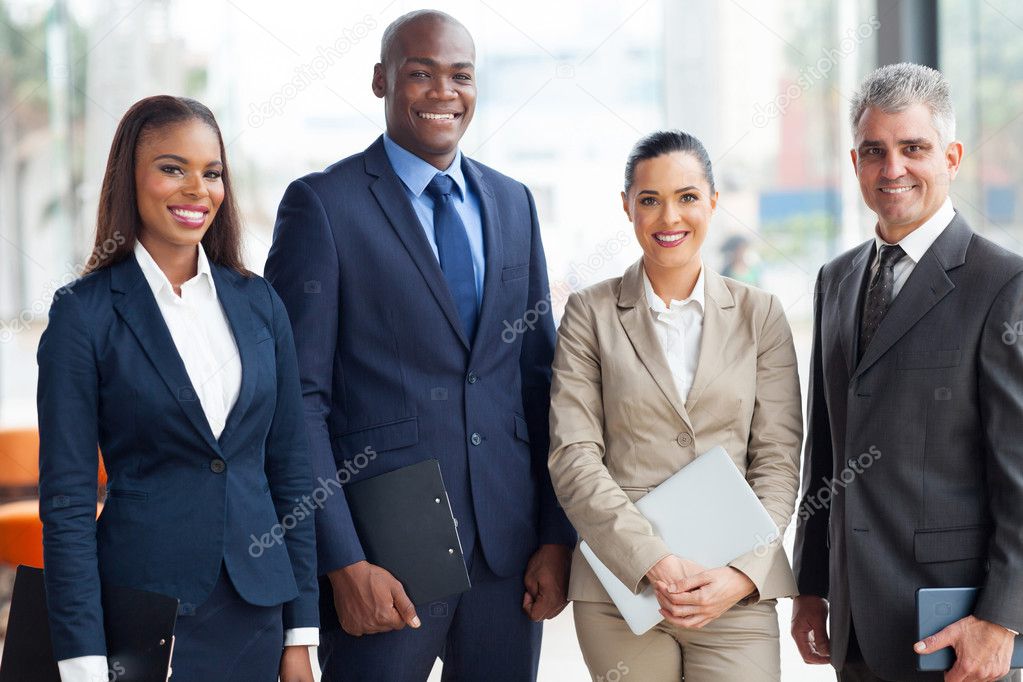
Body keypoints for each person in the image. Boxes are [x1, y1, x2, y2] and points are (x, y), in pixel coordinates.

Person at [264, 10, 575, 682]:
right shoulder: (322, 206)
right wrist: (341, 563)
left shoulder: (513, 203)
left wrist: (556, 537)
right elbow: (295, 406)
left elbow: (542, 382)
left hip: (508, 557)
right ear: (381, 80)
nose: (443, 92)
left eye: (459, 76)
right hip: (384, 559)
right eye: (420, 73)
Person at [36, 95, 318, 682]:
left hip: (257, 612)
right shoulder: (83, 314)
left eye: (211, 172)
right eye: (172, 168)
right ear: (129, 179)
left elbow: (291, 471)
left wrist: (301, 633)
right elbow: (65, 503)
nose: (197, 189)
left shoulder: (259, 303)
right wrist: (82, 661)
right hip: (143, 617)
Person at [791, 63, 1023, 682]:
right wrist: (810, 582)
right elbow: (827, 446)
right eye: (875, 151)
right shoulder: (835, 280)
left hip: (955, 630)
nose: (892, 169)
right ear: (855, 161)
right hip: (856, 625)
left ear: (951, 155)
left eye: (913, 148)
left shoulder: (1003, 284)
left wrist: (1001, 621)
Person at [548, 129, 803, 682]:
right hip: (624, 587)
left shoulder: (761, 315)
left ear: (713, 201)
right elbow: (574, 457)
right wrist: (653, 563)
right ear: (627, 207)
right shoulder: (590, 315)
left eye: (687, 197)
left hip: (735, 589)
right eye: (650, 200)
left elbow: (779, 460)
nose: (670, 217)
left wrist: (740, 574)